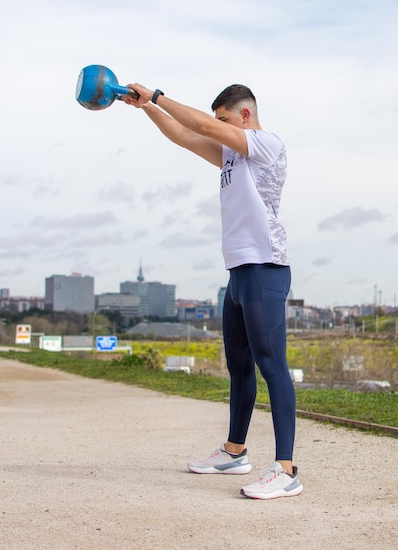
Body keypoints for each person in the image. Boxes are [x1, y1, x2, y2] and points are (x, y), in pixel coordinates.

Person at [122, 82, 303, 500]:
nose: (215, 128)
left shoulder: (267, 143)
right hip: (238, 272)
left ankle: (287, 469)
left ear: (243, 115)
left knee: (272, 366)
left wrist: (157, 95)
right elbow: (187, 136)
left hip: (265, 267)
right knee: (238, 366)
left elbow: (200, 123)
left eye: (223, 121)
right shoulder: (231, 156)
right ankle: (234, 452)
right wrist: (145, 108)